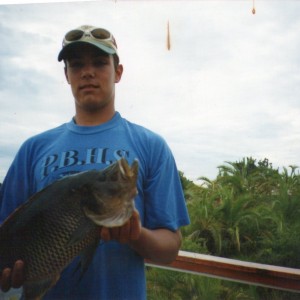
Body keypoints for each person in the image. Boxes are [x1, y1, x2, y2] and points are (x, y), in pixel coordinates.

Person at [0, 25, 190, 299]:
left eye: (100, 63)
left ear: (118, 72)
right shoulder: (33, 148)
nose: (87, 72)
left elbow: (170, 248)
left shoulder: (151, 146)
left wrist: (136, 235)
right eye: (76, 65)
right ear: (67, 75)